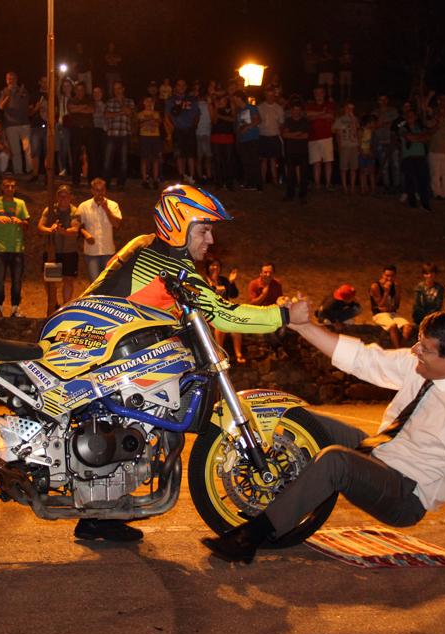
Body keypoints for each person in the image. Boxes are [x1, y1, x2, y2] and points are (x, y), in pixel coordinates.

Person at [202, 306, 445, 573]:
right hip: (380, 450)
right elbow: (364, 359)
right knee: (302, 418)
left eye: (426, 348)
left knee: (336, 460)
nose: (415, 350)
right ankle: (288, 495)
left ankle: (252, 537)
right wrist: (302, 325)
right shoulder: (423, 364)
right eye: (419, 341)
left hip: (404, 494)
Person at [77, 184, 291, 542]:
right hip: (93, 347)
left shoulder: (148, 248)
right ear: (180, 225)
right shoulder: (168, 265)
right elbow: (225, 315)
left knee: (139, 414)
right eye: (204, 229)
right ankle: (99, 509)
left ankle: (101, 511)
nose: (211, 240)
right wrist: (283, 315)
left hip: (93, 342)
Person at [0, 177, 29, 317]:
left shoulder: (20, 203)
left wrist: (20, 222)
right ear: (2, 188)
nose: (10, 189)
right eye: (7, 186)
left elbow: (27, 224)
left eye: (12, 186)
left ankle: (15, 308)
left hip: (16, 247)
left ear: (15, 189)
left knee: (17, 280)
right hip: (0, 248)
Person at [38, 184, 81, 315]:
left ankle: (66, 306)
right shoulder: (50, 210)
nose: (62, 199)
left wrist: (63, 231)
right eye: (60, 196)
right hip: (53, 250)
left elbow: (75, 230)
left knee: (68, 279)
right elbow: (40, 226)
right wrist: (50, 229)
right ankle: (54, 303)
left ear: (70, 197)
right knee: (49, 279)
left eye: (65, 196)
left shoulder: (75, 211)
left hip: (69, 250)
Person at [76, 177, 122, 281]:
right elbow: (78, 226)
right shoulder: (84, 206)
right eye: (97, 190)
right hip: (91, 252)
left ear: (105, 190)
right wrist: (86, 234)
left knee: (107, 283)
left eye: (102, 190)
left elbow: (117, 224)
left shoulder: (113, 205)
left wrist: (106, 209)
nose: (99, 193)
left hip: (108, 251)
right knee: (95, 283)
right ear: (92, 191)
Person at [204, 258, 244, 363]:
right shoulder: (204, 281)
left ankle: (238, 354)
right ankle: (220, 354)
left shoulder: (223, 280)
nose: (215, 267)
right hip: (211, 312)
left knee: (236, 327)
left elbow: (233, 295)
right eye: (212, 265)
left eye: (217, 265)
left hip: (225, 311)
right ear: (208, 267)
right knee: (220, 326)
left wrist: (231, 282)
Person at [369, 265, 413, 348]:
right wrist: (386, 292)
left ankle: (400, 349)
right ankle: (397, 350)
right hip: (379, 315)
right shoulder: (375, 286)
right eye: (387, 276)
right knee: (393, 326)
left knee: (408, 327)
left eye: (392, 276)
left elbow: (396, 306)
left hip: (392, 313)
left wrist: (397, 292)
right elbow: (380, 305)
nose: (389, 278)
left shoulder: (395, 286)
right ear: (382, 274)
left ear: (395, 276)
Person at [0, 72, 32, 176]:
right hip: (11, 124)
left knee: (27, 149)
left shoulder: (23, 90)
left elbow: (28, 105)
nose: (10, 80)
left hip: (24, 124)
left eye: (12, 78)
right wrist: (8, 96)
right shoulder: (3, 92)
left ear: (17, 79)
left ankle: (30, 171)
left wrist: (20, 93)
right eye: (8, 79)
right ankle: (18, 172)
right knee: (15, 151)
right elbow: (1, 107)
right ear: (6, 80)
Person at [103, 82, 135, 189]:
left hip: (124, 134)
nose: (117, 91)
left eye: (119, 88)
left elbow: (129, 112)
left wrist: (117, 111)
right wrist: (121, 112)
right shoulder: (110, 101)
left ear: (123, 89)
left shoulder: (129, 101)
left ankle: (121, 183)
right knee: (108, 160)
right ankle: (106, 183)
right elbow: (107, 115)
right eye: (115, 89)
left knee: (123, 161)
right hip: (111, 134)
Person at [305, 86, 335, 190]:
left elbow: (330, 116)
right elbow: (307, 115)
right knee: (316, 162)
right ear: (314, 94)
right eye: (316, 93)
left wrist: (315, 116)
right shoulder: (310, 105)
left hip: (326, 137)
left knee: (328, 161)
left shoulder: (329, 104)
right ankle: (317, 184)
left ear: (324, 93)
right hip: (313, 138)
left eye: (320, 93)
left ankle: (328, 184)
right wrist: (322, 113)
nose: (318, 95)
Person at [232, 91, 262, 191]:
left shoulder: (251, 108)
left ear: (239, 98)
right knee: (246, 162)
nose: (234, 100)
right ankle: (249, 183)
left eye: (235, 98)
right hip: (243, 139)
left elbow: (257, 120)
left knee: (254, 161)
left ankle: (257, 184)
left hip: (252, 138)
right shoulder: (239, 111)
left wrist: (247, 128)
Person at [281, 101, 310, 202]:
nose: (296, 112)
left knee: (303, 175)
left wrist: (291, 135)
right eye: (294, 110)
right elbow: (284, 135)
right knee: (290, 175)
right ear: (291, 111)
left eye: (298, 110)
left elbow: (306, 136)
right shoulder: (288, 121)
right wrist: (298, 133)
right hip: (290, 151)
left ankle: (302, 195)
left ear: (301, 111)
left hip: (302, 152)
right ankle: (290, 194)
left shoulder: (304, 121)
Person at [136, 96, 162, 189]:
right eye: (147, 101)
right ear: (143, 103)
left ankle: (155, 179)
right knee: (144, 159)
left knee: (155, 159)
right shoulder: (140, 114)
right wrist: (150, 121)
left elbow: (158, 123)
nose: (149, 103)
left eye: (150, 101)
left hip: (155, 137)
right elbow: (140, 124)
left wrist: (146, 121)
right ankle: (144, 179)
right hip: (144, 137)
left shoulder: (156, 113)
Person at [412, 262, 444, 326]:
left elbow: (438, 305)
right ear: (423, 275)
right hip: (420, 317)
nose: (430, 275)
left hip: (433, 316)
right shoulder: (419, 287)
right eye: (427, 273)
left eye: (432, 273)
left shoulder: (439, 288)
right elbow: (417, 305)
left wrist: (430, 315)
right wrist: (424, 316)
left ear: (435, 274)